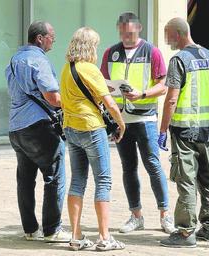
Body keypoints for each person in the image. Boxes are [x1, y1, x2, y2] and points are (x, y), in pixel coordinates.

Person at [100, 12, 175, 234]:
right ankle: (136, 215)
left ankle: (165, 215)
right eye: (122, 33)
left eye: (130, 33)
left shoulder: (152, 52)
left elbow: (164, 85)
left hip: (145, 118)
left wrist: (141, 94)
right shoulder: (110, 52)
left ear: (139, 29)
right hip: (121, 120)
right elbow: (103, 83)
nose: (126, 37)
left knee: (152, 165)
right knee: (128, 167)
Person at [60, 27, 126, 251]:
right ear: (90, 47)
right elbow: (110, 103)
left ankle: (76, 236)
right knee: (103, 181)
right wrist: (121, 123)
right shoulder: (90, 68)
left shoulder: (66, 70)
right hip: (91, 129)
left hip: (71, 129)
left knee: (78, 180)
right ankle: (105, 237)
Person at [159, 17, 209, 248]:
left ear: (177, 34)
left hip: (185, 131)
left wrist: (163, 129)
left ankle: (186, 232)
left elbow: (172, 98)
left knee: (186, 180)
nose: (167, 40)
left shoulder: (179, 60)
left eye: (168, 35)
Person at [5, 21, 70, 242]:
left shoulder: (14, 60)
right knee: (54, 177)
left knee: (25, 180)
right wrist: (72, 102)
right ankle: (52, 230)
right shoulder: (38, 59)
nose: (54, 40)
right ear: (40, 38)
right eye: (52, 36)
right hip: (39, 127)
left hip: (16, 128)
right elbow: (52, 97)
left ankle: (30, 230)